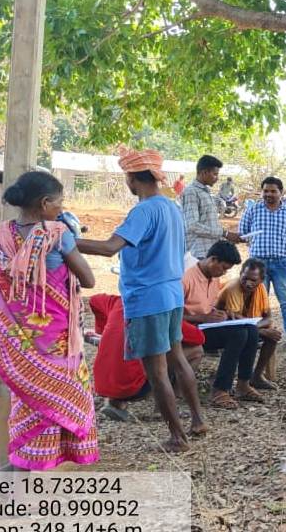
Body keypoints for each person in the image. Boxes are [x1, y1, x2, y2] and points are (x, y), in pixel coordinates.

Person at [79, 149, 206, 452]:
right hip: (171, 294)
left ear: (133, 178)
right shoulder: (171, 207)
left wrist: (65, 241)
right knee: (176, 357)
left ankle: (177, 437)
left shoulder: (144, 210)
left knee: (158, 371)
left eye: (127, 178)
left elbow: (110, 248)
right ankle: (198, 420)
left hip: (148, 298)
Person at [0, 170, 98, 470]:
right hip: (57, 340)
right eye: (59, 202)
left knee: (31, 398)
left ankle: (18, 471)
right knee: (58, 398)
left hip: (20, 339)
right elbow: (89, 279)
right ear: (45, 203)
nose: (61, 207)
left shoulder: (0, 235)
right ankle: (15, 474)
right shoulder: (56, 233)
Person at [90, 293, 205, 421]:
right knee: (195, 351)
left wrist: (103, 329)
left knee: (131, 353)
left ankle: (115, 403)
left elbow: (94, 300)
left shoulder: (117, 302)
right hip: (135, 388)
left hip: (101, 384)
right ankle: (167, 406)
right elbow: (199, 338)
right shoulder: (159, 308)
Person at [183, 241, 266, 409]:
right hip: (188, 329)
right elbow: (172, 316)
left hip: (206, 327)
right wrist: (203, 317)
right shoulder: (186, 278)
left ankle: (243, 383)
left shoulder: (213, 279)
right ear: (213, 259)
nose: (224, 273)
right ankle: (220, 390)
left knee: (250, 330)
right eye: (223, 268)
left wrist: (226, 314)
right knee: (238, 334)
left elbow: (210, 306)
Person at [238, 176, 286, 349]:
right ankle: (258, 337)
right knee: (257, 301)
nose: (269, 194)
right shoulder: (253, 210)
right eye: (266, 191)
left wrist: (283, 245)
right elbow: (243, 232)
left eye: (273, 191)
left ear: (281, 193)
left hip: (280, 263)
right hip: (257, 266)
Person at [217, 259, 284, 390]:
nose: (248, 283)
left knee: (272, 336)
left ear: (261, 279)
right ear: (240, 273)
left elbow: (268, 318)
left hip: (246, 326)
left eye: (253, 280)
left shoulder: (261, 288)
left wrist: (256, 328)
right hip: (226, 328)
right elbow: (235, 322)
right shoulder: (233, 288)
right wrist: (258, 329)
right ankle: (233, 383)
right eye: (245, 278)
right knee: (243, 335)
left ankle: (257, 376)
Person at [181, 154, 242, 260]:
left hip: (209, 251)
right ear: (204, 172)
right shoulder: (191, 192)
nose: (217, 178)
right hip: (198, 254)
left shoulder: (206, 192)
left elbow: (208, 223)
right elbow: (192, 225)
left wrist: (224, 235)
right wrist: (225, 233)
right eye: (215, 174)